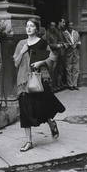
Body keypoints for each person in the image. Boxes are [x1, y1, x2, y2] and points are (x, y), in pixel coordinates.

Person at [13, 18, 66, 152]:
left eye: (31, 26)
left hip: (39, 79)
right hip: (24, 81)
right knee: (25, 111)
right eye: (27, 26)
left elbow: (52, 57)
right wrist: (22, 51)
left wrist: (40, 63)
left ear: (36, 29)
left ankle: (50, 122)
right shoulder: (21, 44)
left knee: (41, 107)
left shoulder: (42, 43)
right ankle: (28, 141)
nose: (29, 28)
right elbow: (16, 63)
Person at [46, 21, 65, 92]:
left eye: (54, 26)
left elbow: (59, 40)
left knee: (56, 70)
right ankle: (51, 87)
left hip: (57, 53)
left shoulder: (55, 33)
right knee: (51, 71)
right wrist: (56, 45)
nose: (53, 27)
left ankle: (55, 85)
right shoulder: (48, 33)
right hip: (51, 53)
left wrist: (61, 43)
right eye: (52, 26)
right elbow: (48, 44)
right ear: (49, 26)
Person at [63, 21, 81, 90]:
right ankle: (70, 85)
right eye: (69, 26)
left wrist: (77, 44)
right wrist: (69, 45)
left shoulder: (76, 33)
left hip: (76, 52)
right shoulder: (64, 33)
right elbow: (64, 43)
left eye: (72, 25)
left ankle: (75, 84)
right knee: (68, 69)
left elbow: (79, 41)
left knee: (76, 68)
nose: (71, 27)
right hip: (68, 53)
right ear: (67, 26)